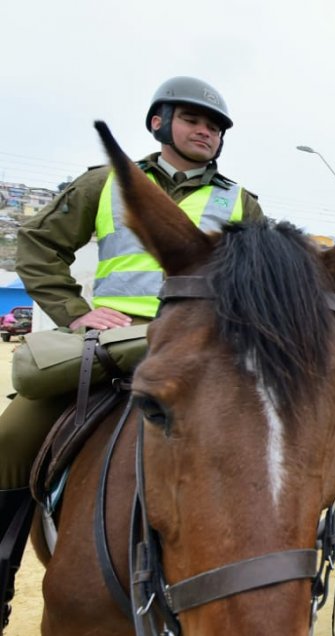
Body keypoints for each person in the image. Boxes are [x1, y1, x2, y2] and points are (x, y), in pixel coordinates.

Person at [0, 76, 263, 630]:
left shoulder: (242, 203)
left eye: (215, 126)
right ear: (158, 123)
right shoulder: (106, 183)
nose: (206, 131)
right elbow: (38, 246)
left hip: (202, 354)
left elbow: (267, 282)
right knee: (11, 434)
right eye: (193, 119)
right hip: (113, 345)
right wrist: (75, 312)